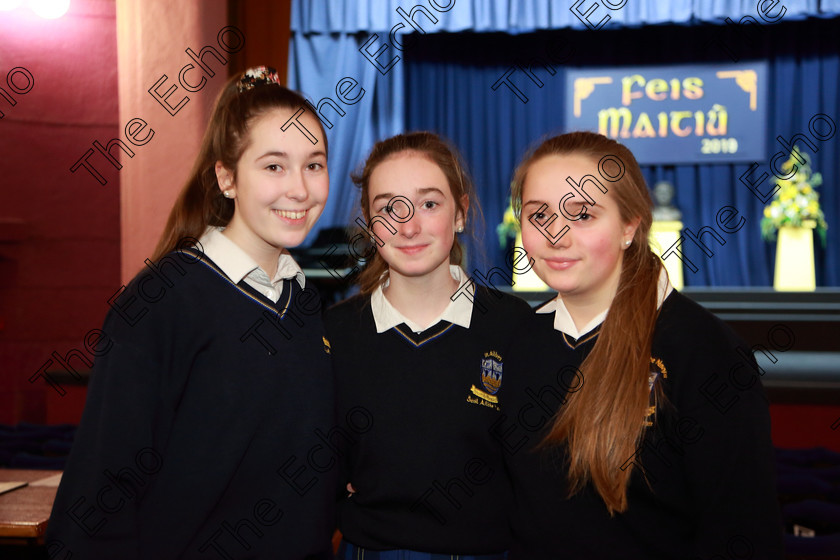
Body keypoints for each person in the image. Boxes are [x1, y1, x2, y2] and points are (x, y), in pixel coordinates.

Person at [45, 67, 337, 560]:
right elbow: (101, 489)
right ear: (227, 177)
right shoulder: (163, 299)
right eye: (273, 166)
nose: (300, 189)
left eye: (314, 164)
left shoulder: (305, 303)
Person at [500, 131, 783, 559]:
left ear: (629, 226)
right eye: (540, 215)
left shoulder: (704, 351)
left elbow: (744, 531)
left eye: (582, 215)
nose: (556, 234)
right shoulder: (518, 341)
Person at [324, 131, 533, 559]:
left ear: (461, 212)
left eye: (429, 204)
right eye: (388, 208)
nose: (409, 226)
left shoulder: (517, 328)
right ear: (368, 222)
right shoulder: (333, 334)